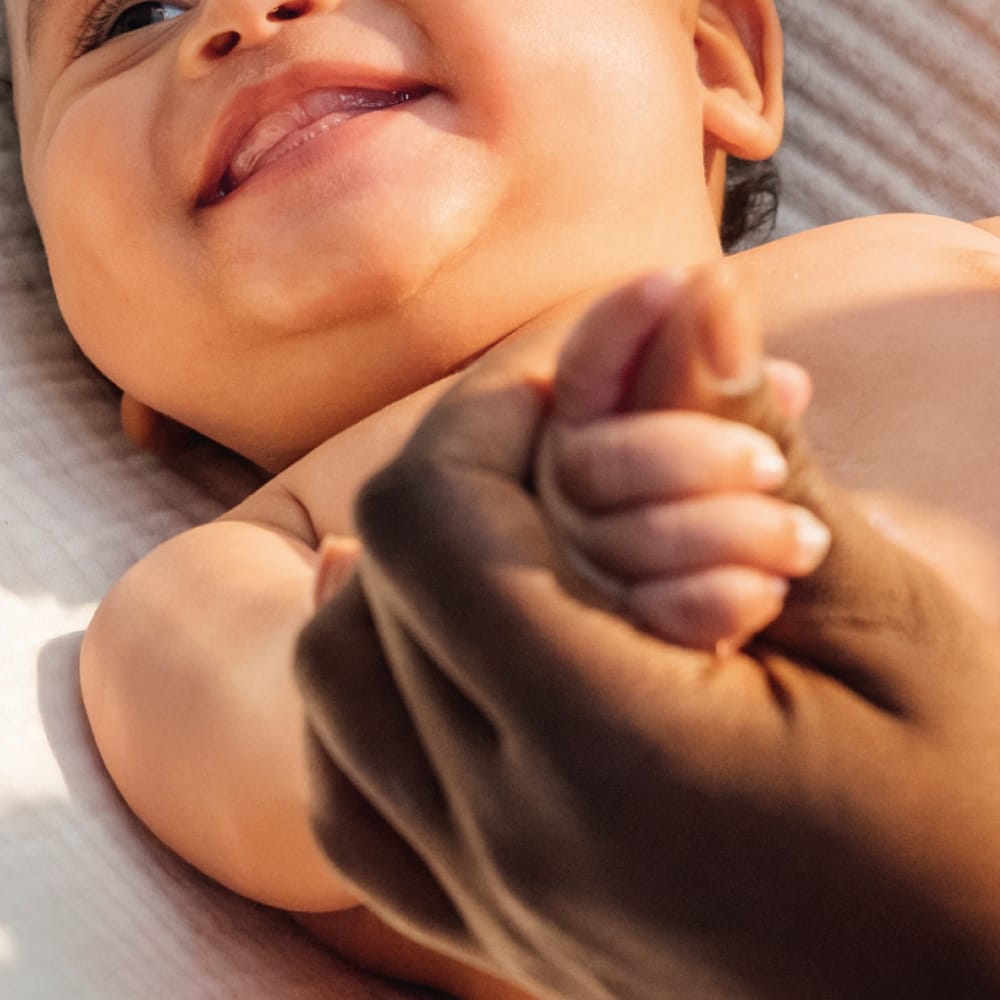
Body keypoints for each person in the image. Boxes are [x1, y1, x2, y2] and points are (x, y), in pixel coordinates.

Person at [5, 0, 1000, 994]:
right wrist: (500, 654)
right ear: (107, 347)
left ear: (714, 59)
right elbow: (284, 747)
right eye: (128, 15)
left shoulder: (945, 259)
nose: (242, 15)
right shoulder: (241, 569)